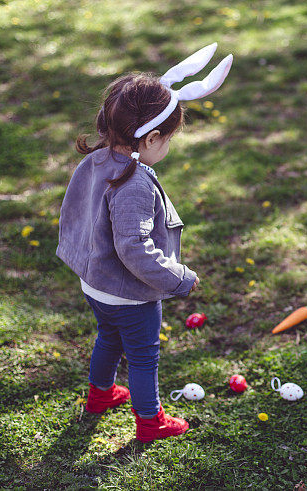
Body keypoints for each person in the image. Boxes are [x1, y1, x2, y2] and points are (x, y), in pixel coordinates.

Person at [56, 44, 233, 442]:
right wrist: (179, 279)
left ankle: (100, 395)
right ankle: (150, 421)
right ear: (152, 138)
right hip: (130, 294)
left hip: (94, 282)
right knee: (142, 355)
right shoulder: (133, 183)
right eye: (168, 140)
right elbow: (135, 249)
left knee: (108, 337)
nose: (168, 147)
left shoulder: (97, 160)